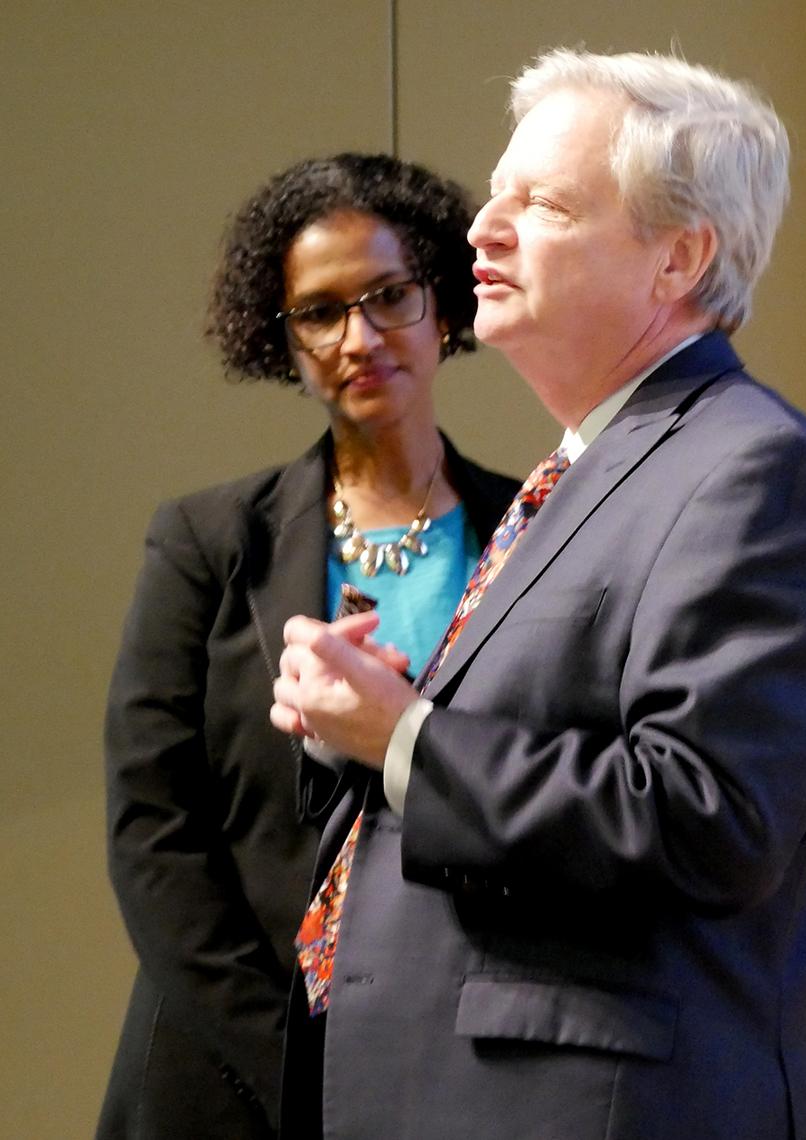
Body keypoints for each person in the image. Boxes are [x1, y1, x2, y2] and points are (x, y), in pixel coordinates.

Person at [271, 50, 806, 1140]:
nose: (480, 229)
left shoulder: (753, 470)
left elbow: (706, 819)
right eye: (495, 192)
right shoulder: (589, 471)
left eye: (540, 202)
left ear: (675, 258)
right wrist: (359, 725)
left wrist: (404, 737)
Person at [97, 153, 519, 1140]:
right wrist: (290, 1058)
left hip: (454, 1055)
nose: (357, 337)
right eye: (319, 313)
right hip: (226, 1070)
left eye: (388, 297)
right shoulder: (206, 542)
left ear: (443, 307)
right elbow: (153, 833)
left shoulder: (532, 531)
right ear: (279, 340)